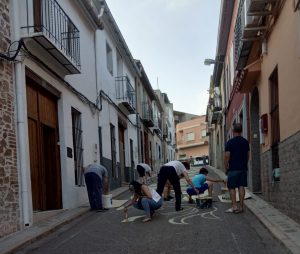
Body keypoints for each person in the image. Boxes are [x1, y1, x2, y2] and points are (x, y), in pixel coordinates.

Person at [224, 123, 250, 213]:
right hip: (243, 168)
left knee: (231, 187)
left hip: (233, 168)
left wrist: (226, 167)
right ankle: (242, 207)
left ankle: (234, 206)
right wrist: (244, 163)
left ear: (233, 131)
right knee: (241, 186)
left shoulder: (230, 142)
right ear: (241, 131)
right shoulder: (245, 142)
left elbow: (227, 156)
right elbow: (247, 155)